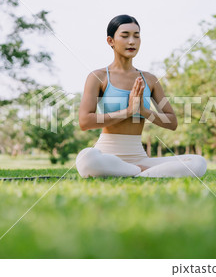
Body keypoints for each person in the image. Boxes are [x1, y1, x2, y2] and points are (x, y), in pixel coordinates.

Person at [76, 14, 207, 178]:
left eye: (136, 36)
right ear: (111, 41)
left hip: (139, 157)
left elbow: (172, 122)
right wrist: (128, 111)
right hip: (106, 155)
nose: (132, 41)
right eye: (125, 36)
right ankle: (143, 173)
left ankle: (135, 171)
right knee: (87, 159)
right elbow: (85, 122)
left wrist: (144, 111)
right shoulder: (98, 77)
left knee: (198, 162)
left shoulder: (150, 79)